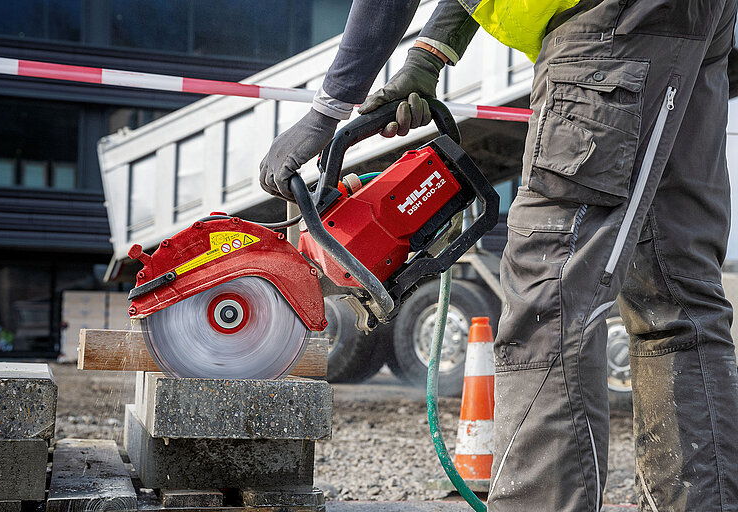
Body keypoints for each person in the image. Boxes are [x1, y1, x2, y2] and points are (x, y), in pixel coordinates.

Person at [260, 0, 738, 510]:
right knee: (675, 294)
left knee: (548, 297)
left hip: (610, 24)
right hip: (694, 21)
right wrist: (427, 57)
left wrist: (327, 111)